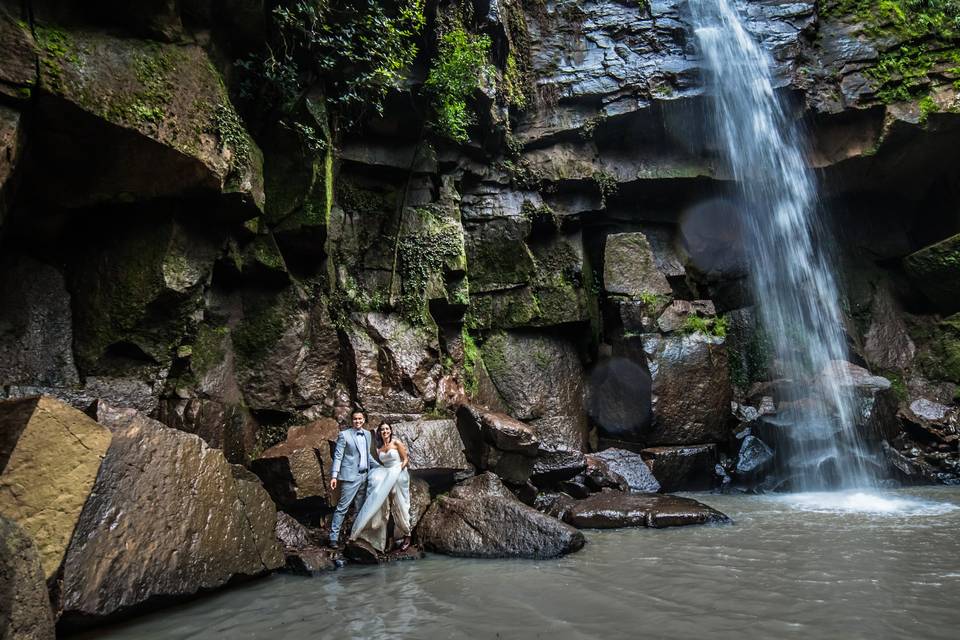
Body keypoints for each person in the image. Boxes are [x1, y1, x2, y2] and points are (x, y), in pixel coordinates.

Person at [348, 422, 412, 553]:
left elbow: (405, 459)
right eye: (382, 429)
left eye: (387, 429)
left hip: (399, 473)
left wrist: (398, 469)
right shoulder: (379, 448)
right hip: (387, 472)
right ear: (379, 432)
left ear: (390, 430)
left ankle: (407, 534)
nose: (385, 431)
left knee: (400, 503)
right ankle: (374, 533)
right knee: (378, 494)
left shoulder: (396, 443)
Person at [328, 410, 380, 548]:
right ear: (352, 421)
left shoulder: (368, 434)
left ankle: (353, 535)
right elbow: (338, 456)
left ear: (364, 420)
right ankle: (333, 537)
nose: (357, 421)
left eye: (360, 419)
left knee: (359, 507)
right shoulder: (344, 435)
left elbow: (367, 456)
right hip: (350, 477)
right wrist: (334, 476)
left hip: (365, 476)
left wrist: (381, 466)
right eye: (355, 419)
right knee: (342, 508)